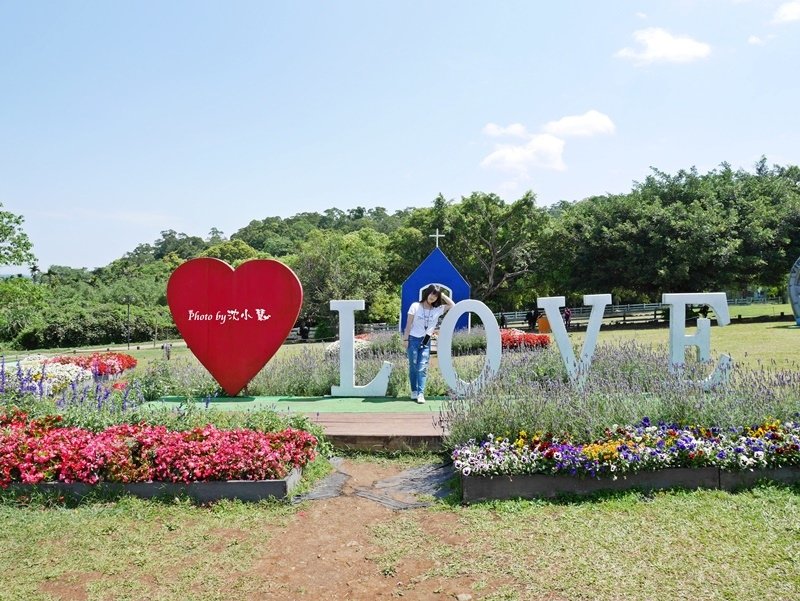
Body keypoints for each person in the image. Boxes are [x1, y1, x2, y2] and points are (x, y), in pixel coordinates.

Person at [402, 284, 455, 403]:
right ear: (427, 293)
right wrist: (405, 339)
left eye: (436, 296)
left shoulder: (438, 309)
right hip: (413, 339)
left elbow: (452, 305)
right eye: (432, 293)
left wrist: (442, 294)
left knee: (422, 367)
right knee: (413, 366)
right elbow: (408, 324)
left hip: (426, 341)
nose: (433, 297)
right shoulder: (415, 306)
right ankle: (414, 391)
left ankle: (421, 393)